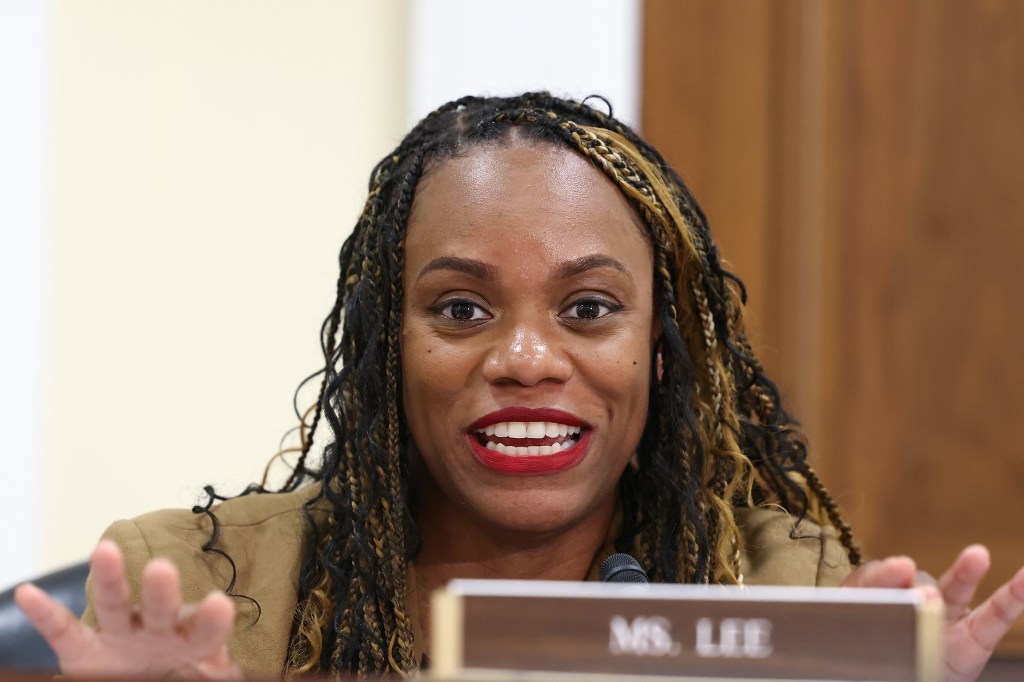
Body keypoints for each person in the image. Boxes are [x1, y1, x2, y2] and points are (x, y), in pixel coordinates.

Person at [15, 93, 1024, 681]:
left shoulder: (776, 591)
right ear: (387, 352)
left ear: (659, 353)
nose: (526, 359)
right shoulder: (196, 587)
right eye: (461, 311)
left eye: (587, 309)